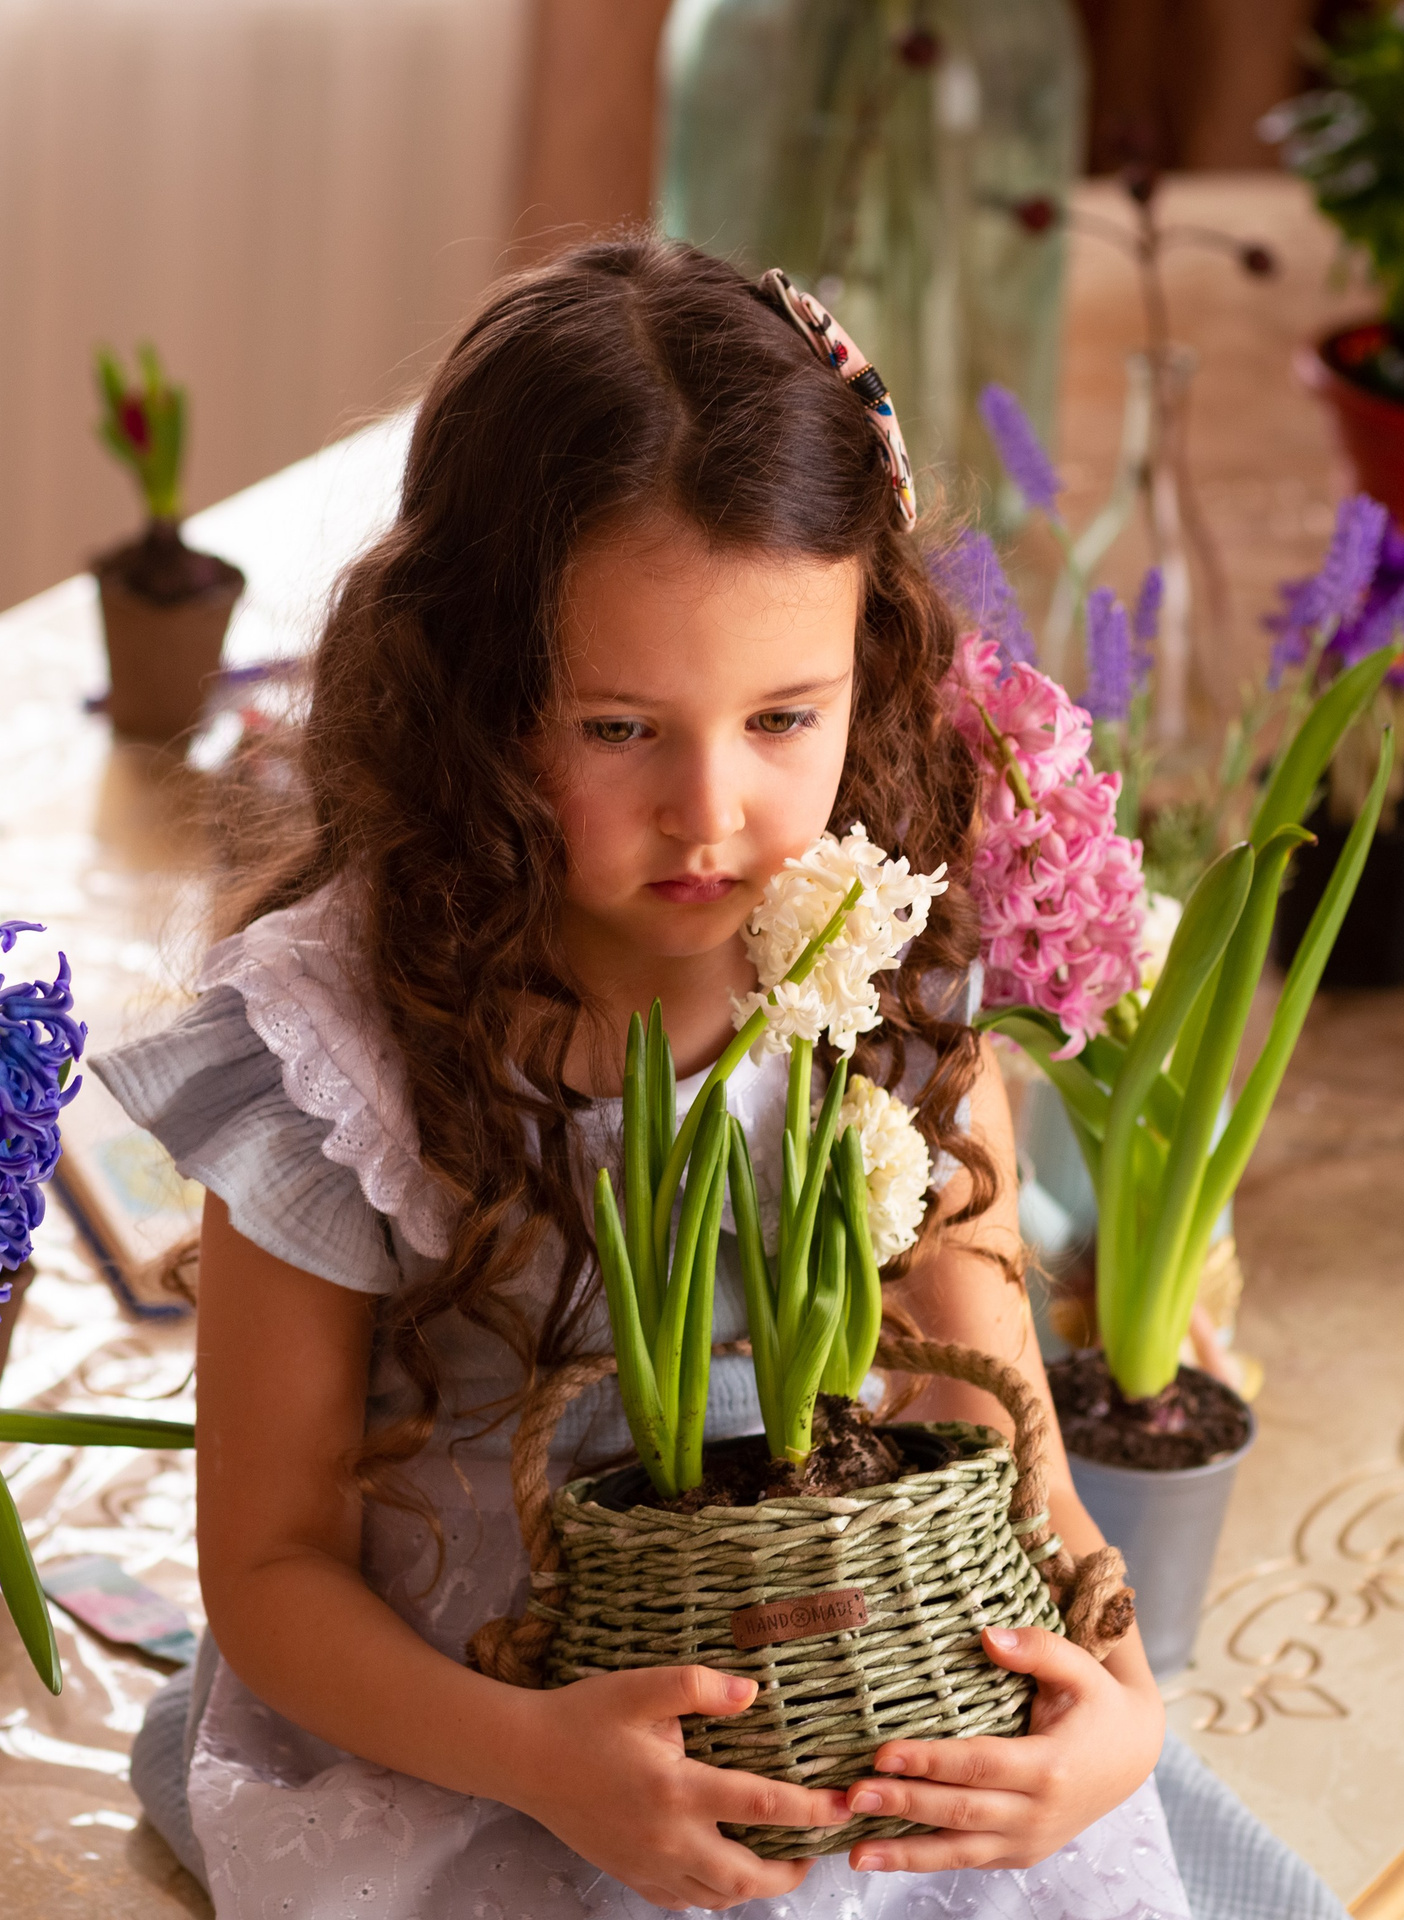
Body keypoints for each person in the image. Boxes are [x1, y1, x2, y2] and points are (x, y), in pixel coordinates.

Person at [97, 234, 1188, 1920]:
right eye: (617, 727)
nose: (712, 814)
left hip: (842, 1697)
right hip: (476, 1728)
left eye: (783, 719)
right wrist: (535, 1756)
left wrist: (1118, 1700)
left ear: (871, 664)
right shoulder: (350, 1037)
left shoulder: (880, 948)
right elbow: (266, 1568)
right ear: (473, 686)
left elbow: (998, 1421)